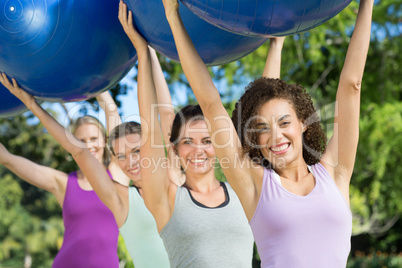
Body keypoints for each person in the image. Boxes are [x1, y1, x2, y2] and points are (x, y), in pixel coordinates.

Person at [161, 0, 374, 267]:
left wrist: (367, 5)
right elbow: (210, 102)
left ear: (303, 124)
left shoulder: (335, 171)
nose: (275, 136)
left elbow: (352, 84)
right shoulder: (254, 183)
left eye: (284, 123)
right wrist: (172, 16)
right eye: (262, 128)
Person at [0, 112, 125, 267]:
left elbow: (114, 118)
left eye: (93, 139)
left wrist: (102, 91)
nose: (88, 146)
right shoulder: (64, 183)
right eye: (80, 141)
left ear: (105, 140)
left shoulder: (117, 175)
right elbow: (6, 159)